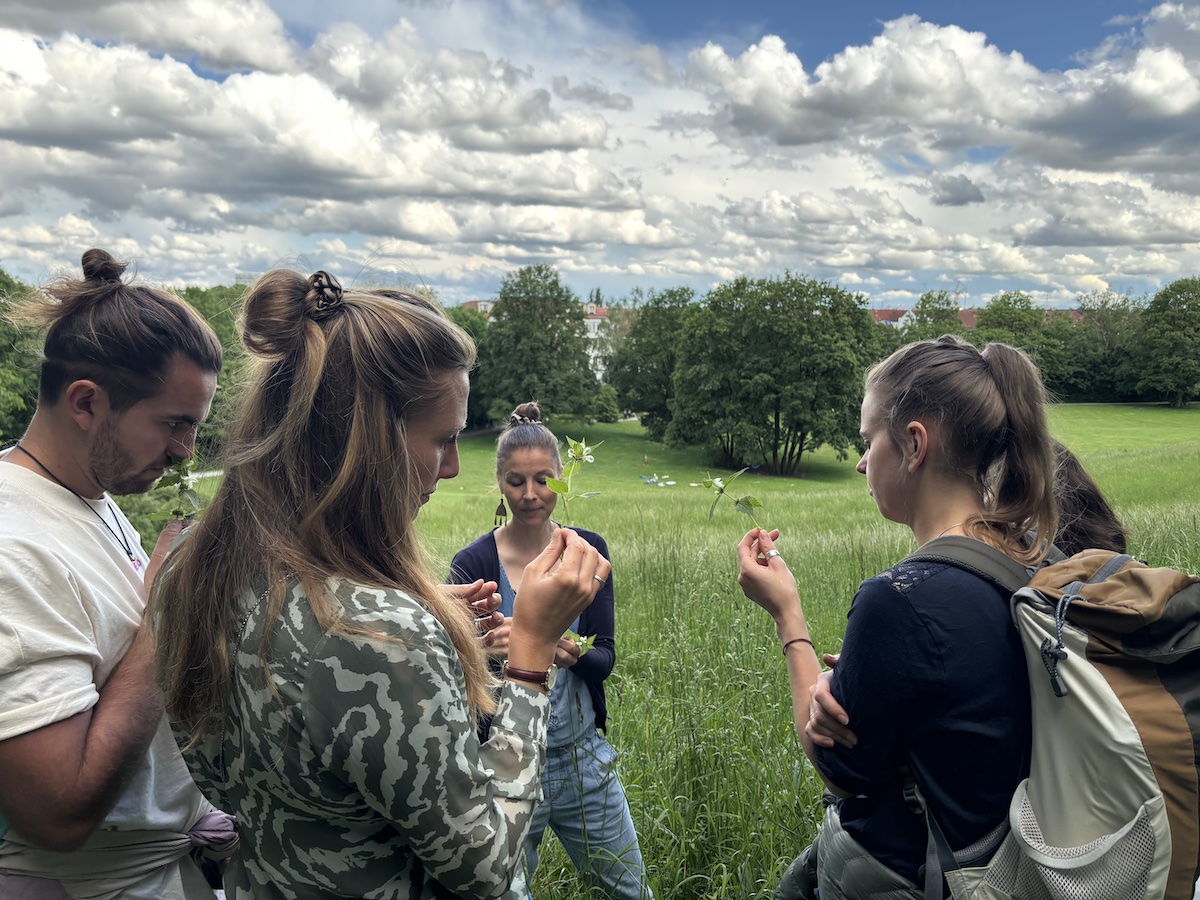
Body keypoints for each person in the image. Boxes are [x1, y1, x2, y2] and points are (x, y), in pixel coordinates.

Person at [151, 270, 610, 899]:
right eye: (444, 440)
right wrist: (529, 649)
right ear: (367, 442)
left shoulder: (188, 572)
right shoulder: (377, 635)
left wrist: (424, 626)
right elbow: (487, 866)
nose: (451, 469)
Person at [735, 334, 1058, 899]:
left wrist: (789, 618)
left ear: (914, 445)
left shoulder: (900, 599)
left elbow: (837, 772)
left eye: (868, 441)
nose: (862, 462)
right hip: (1016, 862)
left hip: (920, 875)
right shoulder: (1037, 559)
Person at [0, 248, 230, 898]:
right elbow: (58, 812)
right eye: (174, 424)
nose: (187, 451)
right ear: (85, 403)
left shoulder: (84, 497)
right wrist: (166, 614)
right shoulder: (12, 547)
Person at [450, 402, 654, 900]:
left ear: (561, 479)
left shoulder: (586, 552)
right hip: (506, 758)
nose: (531, 495)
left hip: (583, 758)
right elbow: (459, 673)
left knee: (627, 889)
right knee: (505, 891)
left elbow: (604, 658)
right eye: (516, 481)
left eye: (543, 480)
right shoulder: (474, 562)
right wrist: (492, 653)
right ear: (499, 482)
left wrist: (566, 653)